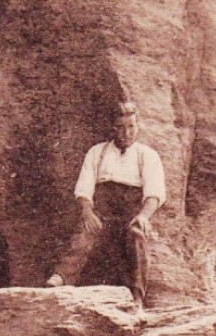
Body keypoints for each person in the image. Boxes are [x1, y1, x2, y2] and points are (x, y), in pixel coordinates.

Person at [46, 101, 165, 309]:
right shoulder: (97, 152)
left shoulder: (147, 155)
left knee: (136, 234)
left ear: (137, 127)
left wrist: (143, 216)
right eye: (120, 127)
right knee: (86, 231)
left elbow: (154, 193)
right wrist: (87, 212)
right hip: (103, 211)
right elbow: (84, 188)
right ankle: (61, 277)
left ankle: (137, 295)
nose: (126, 133)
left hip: (131, 212)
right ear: (112, 127)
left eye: (131, 127)